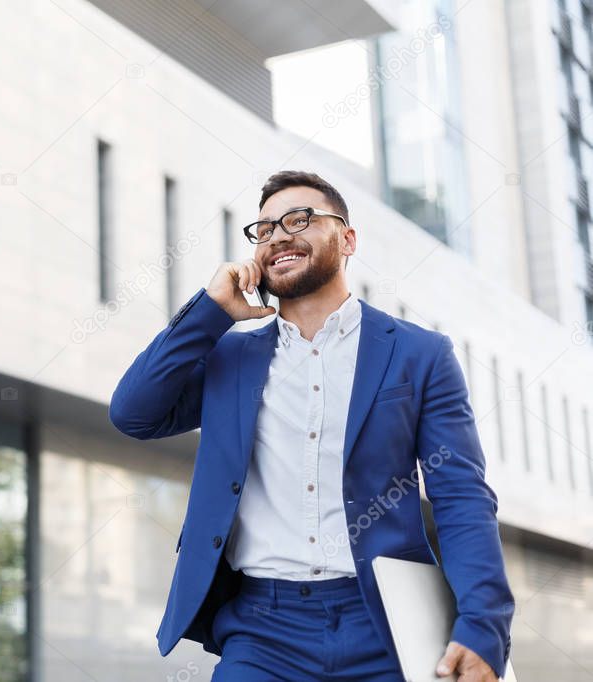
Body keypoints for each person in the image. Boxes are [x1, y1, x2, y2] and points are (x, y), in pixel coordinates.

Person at [108, 170, 514, 681]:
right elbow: (133, 413)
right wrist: (210, 312)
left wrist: (483, 623)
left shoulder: (419, 355)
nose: (277, 234)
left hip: (387, 623)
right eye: (263, 230)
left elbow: (461, 496)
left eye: (299, 219)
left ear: (347, 238)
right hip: (261, 631)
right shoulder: (229, 357)